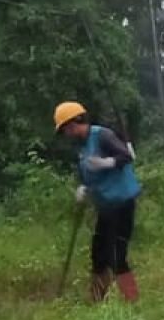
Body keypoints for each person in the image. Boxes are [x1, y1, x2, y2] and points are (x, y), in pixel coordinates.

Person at [54, 100, 141, 303]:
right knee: (98, 255)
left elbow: (125, 156)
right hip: (105, 206)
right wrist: (83, 187)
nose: (66, 135)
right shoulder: (81, 147)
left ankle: (132, 300)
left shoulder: (102, 135)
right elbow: (85, 174)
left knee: (117, 256)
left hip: (122, 204)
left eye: (66, 130)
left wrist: (106, 162)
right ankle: (97, 300)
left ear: (73, 124)